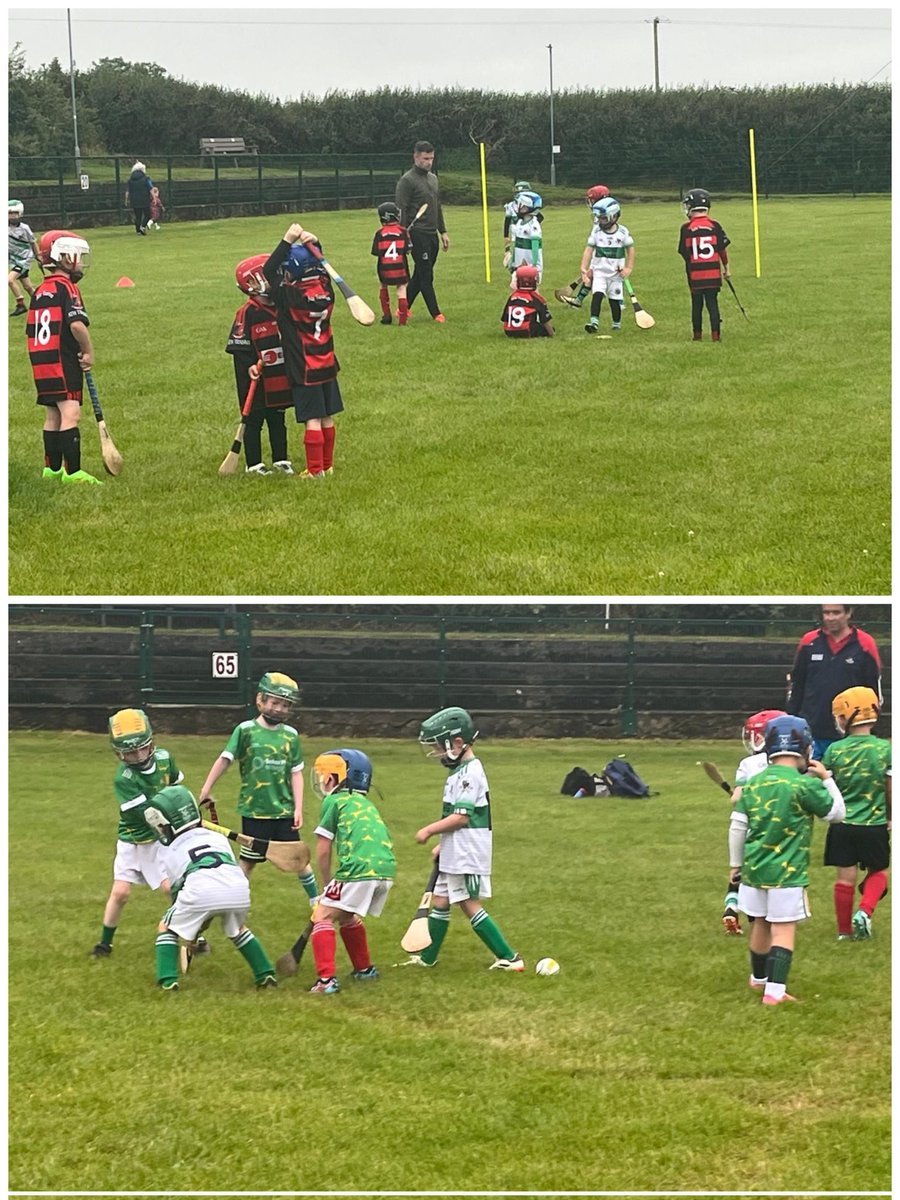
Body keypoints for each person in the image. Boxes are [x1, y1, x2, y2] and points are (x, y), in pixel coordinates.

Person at [730, 715, 845, 1005]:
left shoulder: (753, 784)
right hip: (787, 872)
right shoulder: (804, 785)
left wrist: (735, 864)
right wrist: (828, 780)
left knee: (760, 923)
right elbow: (836, 814)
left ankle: (758, 979)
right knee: (783, 928)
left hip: (754, 870)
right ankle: (775, 992)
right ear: (806, 748)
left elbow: (737, 826)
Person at [400, 706, 524, 971]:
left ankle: (510, 958)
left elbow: (461, 817)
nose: (437, 753)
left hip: (468, 849)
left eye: (440, 747)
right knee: (441, 900)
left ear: (458, 742)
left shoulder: (471, 773)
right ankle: (427, 958)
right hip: (457, 847)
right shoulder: (459, 771)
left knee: (468, 903)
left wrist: (429, 830)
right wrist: (443, 844)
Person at [198, 672, 319, 907]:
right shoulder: (245, 731)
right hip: (254, 811)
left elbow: (296, 772)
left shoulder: (291, 736)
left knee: (299, 858)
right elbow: (225, 759)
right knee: (248, 861)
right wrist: (206, 788)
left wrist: (298, 808)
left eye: (285, 705)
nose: (279, 709)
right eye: (274, 702)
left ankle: (316, 899)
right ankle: (235, 902)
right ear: (260, 700)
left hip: (283, 810)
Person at [144, 785, 277, 992]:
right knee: (238, 929)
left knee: (166, 927)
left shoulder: (171, 850)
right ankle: (265, 973)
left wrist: (191, 924)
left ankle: (167, 981)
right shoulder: (217, 837)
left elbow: (177, 890)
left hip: (199, 888)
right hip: (238, 887)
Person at [91, 709, 192, 959]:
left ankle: (194, 936)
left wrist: (185, 813)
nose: (137, 757)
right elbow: (145, 814)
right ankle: (104, 945)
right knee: (120, 893)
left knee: (172, 889)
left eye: (141, 749)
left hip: (157, 843)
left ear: (151, 743)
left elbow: (176, 788)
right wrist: (172, 822)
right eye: (129, 753)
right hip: (133, 838)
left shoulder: (165, 759)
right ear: (119, 753)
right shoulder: (124, 778)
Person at [307, 748, 396, 994]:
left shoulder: (333, 801)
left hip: (358, 870)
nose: (322, 780)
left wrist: (326, 884)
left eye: (325, 774)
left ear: (336, 778)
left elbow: (323, 849)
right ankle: (364, 970)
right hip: (385, 869)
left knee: (323, 916)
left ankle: (326, 981)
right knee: (346, 914)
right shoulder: (365, 803)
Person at [261, 225, 342, 479]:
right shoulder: (327, 290)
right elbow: (320, 263)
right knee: (327, 415)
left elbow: (267, 270)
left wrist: (286, 239)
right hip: (327, 360)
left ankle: (315, 470)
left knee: (312, 418)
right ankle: (328, 465)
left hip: (304, 364)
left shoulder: (288, 294)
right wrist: (315, 242)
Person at [26, 228, 101, 485]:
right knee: (71, 413)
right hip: (62, 360)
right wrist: (88, 352)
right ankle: (73, 472)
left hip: (41, 361)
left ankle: (52, 469)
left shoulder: (38, 291)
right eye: (77, 257)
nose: (79, 263)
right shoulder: (67, 289)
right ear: (65, 258)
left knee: (52, 415)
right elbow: (77, 325)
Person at [822, 687, 891, 941]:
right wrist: (891, 815)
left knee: (845, 878)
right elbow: (890, 787)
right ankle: (864, 911)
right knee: (879, 870)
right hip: (874, 823)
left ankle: (843, 931)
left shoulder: (834, 751)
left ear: (842, 718)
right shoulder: (886, 749)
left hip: (842, 824)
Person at [786, 604, 882, 760]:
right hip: (812, 730)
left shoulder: (865, 643)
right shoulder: (809, 641)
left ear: (848, 613)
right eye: (826, 613)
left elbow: (873, 690)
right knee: (810, 780)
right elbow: (797, 685)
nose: (830, 618)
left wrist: (869, 726)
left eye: (836, 613)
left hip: (849, 731)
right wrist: (792, 719)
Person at [226, 254, 293, 475]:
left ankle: (281, 459)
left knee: (278, 417)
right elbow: (239, 346)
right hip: (254, 377)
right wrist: (249, 367)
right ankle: (253, 463)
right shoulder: (247, 313)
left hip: (277, 375)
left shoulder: (282, 306)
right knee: (253, 420)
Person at [722, 708, 786, 935]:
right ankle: (770, 918)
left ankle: (732, 908)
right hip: (776, 827)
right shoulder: (787, 763)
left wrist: (735, 795)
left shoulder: (748, 764)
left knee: (739, 873)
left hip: (744, 827)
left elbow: (737, 798)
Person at [394, 141, 449, 322]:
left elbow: (437, 206)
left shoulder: (433, 178)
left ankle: (404, 307)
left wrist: (443, 231)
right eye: (425, 158)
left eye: (431, 158)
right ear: (416, 157)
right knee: (426, 274)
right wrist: (403, 234)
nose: (429, 162)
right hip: (416, 233)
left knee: (421, 272)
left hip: (431, 233)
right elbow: (401, 209)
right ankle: (436, 313)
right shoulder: (407, 181)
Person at [677, 188, 731, 342]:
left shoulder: (686, 229)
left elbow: (684, 253)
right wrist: (726, 269)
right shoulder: (715, 226)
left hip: (695, 275)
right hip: (713, 274)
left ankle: (697, 335)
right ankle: (716, 336)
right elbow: (722, 250)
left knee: (697, 304)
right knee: (713, 304)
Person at [579, 197, 634, 335]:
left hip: (616, 275)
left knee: (614, 301)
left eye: (603, 218)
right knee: (597, 295)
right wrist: (584, 268)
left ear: (614, 216)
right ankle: (594, 322)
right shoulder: (596, 232)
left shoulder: (622, 233)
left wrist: (628, 268)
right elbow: (589, 250)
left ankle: (616, 324)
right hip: (600, 273)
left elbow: (630, 250)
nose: (600, 221)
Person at [556, 184, 610, 308]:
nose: (590, 203)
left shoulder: (605, 217)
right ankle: (580, 300)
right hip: (598, 250)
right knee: (592, 275)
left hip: (603, 252)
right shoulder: (600, 215)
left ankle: (580, 300)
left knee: (593, 275)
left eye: (592, 200)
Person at [371, 201, 411, 325]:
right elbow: (408, 250)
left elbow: (376, 252)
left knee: (383, 286)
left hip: (384, 268)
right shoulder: (403, 231)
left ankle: (387, 316)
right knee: (401, 289)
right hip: (400, 268)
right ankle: (403, 321)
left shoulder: (379, 233)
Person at [501, 264, 554, 338]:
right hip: (526, 331)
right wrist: (551, 333)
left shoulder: (512, 297)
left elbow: (504, 318)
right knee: (544, 328)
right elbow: (545, 320)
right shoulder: (535, 298)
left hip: (509, 332)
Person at [9, 198, 40, 317]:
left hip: (23, 260)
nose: (12, 216)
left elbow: (33, 242)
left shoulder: (24, 228)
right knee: (28, 287)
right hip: (13, 260)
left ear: (20, 213)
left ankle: (20, 305)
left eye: (14, 213)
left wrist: (38, 257)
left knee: (9, 280)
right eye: (9, 213)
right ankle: (41, 301)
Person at [506, 192, 545, 283]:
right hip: (519, 263)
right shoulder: (519, 223)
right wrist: (513, 261)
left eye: (520, 205)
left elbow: (535, 247)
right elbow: (517, 245)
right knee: (517, 285)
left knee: (532, 288)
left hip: (531, 265)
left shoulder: (533, 225)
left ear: (526, 207)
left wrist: (534, 265)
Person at [124, 161, 153, 235]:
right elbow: (150, 188)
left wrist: (126, 200)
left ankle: (138, 231)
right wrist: (154, 197)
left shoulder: (130, 180)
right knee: (148, 214)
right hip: (144, 199)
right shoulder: (146, 179)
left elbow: (127, 191)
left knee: (138, 216)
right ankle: (143, 226)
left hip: (134, 200)